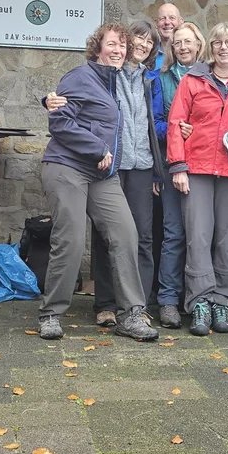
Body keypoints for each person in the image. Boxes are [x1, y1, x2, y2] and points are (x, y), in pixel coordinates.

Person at [36, 23, 158, 342]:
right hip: (67, 166)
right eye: (111, 44)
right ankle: (51, 313)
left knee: (126, 234)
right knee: (72, 239)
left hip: (102, 174)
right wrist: (97, 147)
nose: (117, 50)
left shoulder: (117, 83)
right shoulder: (80, 77)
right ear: (97, 47)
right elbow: (59, 119)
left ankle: (131, 314)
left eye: (122, 46)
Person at [167, 22, 228, 336]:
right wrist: (178, 165)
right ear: (210, 47)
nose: (223, 47)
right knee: (199, 238)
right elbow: (176, 122)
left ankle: (223, 301)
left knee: (227, 240)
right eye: (217, 42)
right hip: (197, 169)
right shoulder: (192, 80)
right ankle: (200, 301)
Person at [155, 22, 207, 328]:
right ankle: (168, 300)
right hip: (172, 164)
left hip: (204, 167)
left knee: (201, 236)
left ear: (199, 44)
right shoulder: (162, 81)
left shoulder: (211, 77)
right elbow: (157, 122)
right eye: (178, 43)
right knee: (174, 234)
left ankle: (198, 297)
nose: (183, 47)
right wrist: (175, 128)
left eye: (188, 42)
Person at [153, 2, 182, 69]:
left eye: (172, 18)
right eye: (162, 18)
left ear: (181, 22)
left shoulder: (186, 53)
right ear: (156, 23)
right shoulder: (149, 54)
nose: (167, 22)